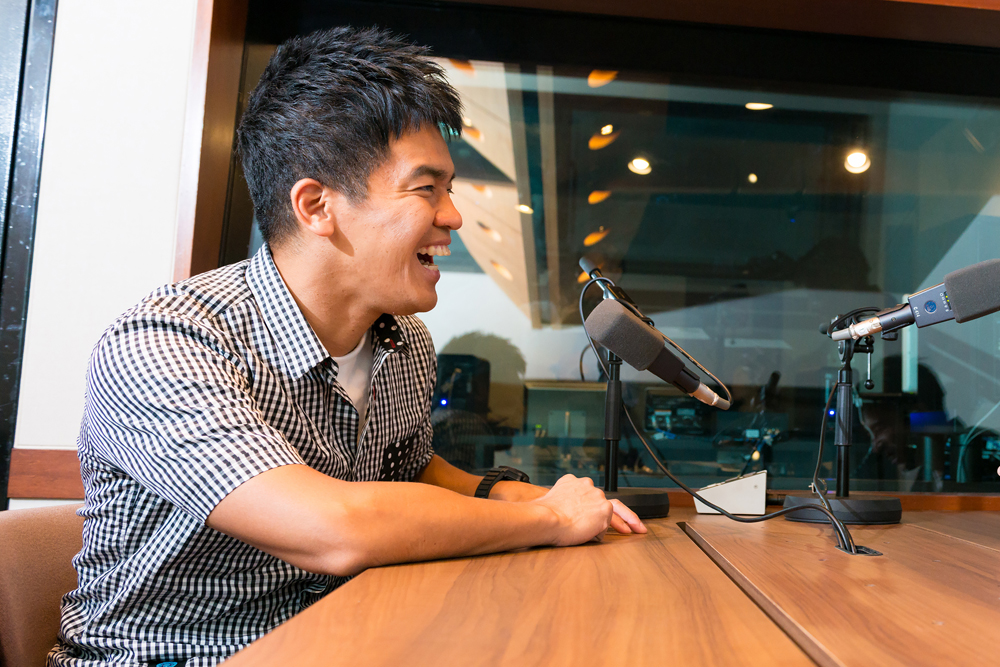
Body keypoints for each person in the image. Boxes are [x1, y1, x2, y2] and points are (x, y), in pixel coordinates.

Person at [49, 26, 644, 667]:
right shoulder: (166, 341)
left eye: (448, 190)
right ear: (316, 206)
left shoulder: (405, 342)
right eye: (426, 188)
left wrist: (501, 493)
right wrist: (550, 520)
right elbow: (332, 528)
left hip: (340, 637)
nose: (452, 216)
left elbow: (409, 468)